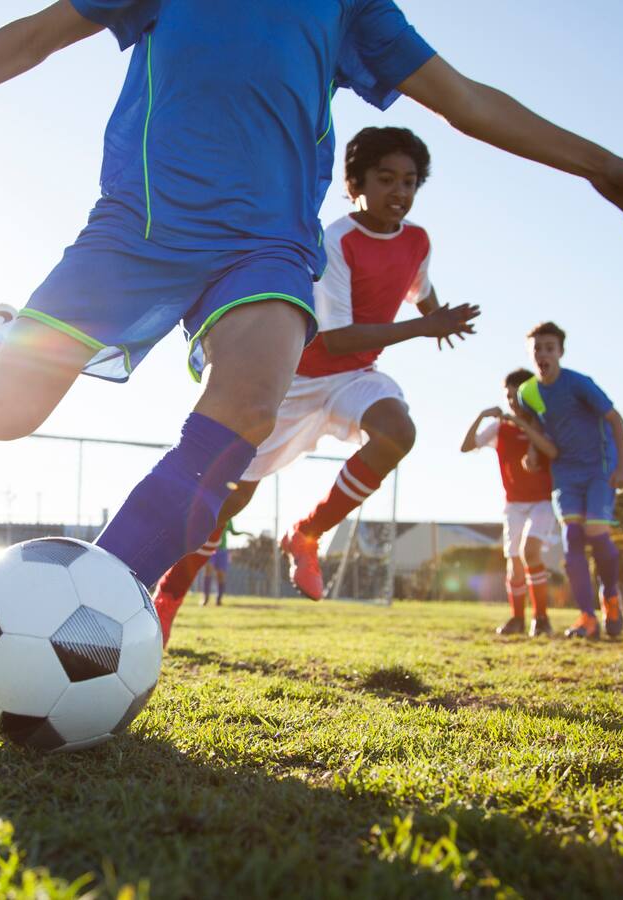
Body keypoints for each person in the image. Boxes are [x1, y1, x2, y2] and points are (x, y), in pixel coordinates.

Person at [0, 0, 623, 601]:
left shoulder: (357, 6)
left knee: (247, 406)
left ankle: (104, 594)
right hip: (137, 228)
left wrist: (601, 163)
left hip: (267, 243)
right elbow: (34, 37)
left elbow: (467, 101)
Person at [153, 126, 476, 643]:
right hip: (297, 378)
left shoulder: (418, 240)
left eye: (410, 182)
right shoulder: (336, 240)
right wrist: (424, 327)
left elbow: (421, 288)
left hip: (352, 378)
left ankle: (307, 534)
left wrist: (440, 316)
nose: (399, 192)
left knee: (398, 431)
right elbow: (342, 337)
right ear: (356, 185)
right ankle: (168, 596)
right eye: (385, 179)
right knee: (230, 502)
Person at [519, 322, 623, 639]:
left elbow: (615, 418)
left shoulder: (580, 384)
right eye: (537, 348)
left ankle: (610, 595)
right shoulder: (528, 392)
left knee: (596, 531)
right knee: (573, 539)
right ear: (531, 352)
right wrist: (533, 452)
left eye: (549, 348)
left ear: (560, 352)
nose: (543, 354)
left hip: (599, 467)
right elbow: (536, 425)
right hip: (565, 471)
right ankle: (586, 617)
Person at [461, 368, 558, 637]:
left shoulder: (543, 424)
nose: (513, 403)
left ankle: (541, 618)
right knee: (514, 561)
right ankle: (517, 618)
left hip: (542, 501)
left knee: (531, 552)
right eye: (509, 397)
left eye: (518, 397)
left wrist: (528, 432)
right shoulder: (500, 428)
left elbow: (553, 452)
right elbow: (466, 446)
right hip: (513, 504)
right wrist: (481, 416)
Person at [200, 518, 244, 608]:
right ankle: (205, 598)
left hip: (222, 551)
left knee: (221, 575)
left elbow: (233, 532)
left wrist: (244, 533)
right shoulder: (212, 514)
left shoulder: (228, 518)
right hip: (211, 548)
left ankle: (219, 599)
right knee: (208, 571)